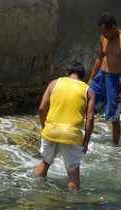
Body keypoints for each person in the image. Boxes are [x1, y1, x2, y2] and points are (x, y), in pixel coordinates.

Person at [36, 62, 95, 191]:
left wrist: (44, 127)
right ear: (82, 77)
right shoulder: (88, 90)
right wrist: (86, 141)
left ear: (67, 73)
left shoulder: (54, 83)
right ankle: (71, 203)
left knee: (45, 163)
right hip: (72, 135)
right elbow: (90, 119)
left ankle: (36, 191)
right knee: (73, 172)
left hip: (51, 131)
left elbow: (41, 109)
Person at [87, 13, 121, 145]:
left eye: (105, 32)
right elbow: (99, 58)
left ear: (113, 28)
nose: (103, 35)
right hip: (100, 77)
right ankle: (85, 141)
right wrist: (91, 79)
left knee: (113, 116)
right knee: (88, 106)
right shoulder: (103, 38)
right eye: (102, 32)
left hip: (115, 79)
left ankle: (115, 147)